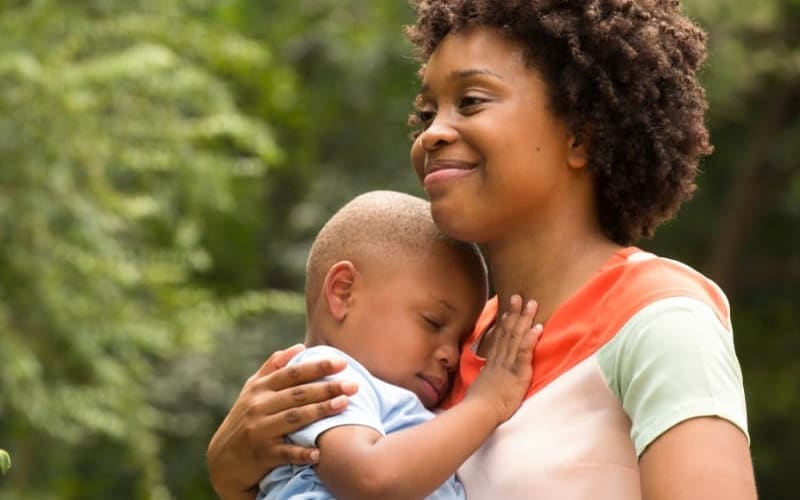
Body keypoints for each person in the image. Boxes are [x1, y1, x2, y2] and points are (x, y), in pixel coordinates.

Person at [208, 1, 758, 499]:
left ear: (580, 136)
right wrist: (235, 473)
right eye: (427, 114)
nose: (432, 135)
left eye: (470, 102)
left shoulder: (660, 319)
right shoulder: (439, 354)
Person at [253, 190, 542, 499]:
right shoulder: (327, 375)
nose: (452, 356)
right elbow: (370, 478)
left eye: (461, 340)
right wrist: (487, 403)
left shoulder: (410, 411)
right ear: (343, 292)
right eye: (433, 322)